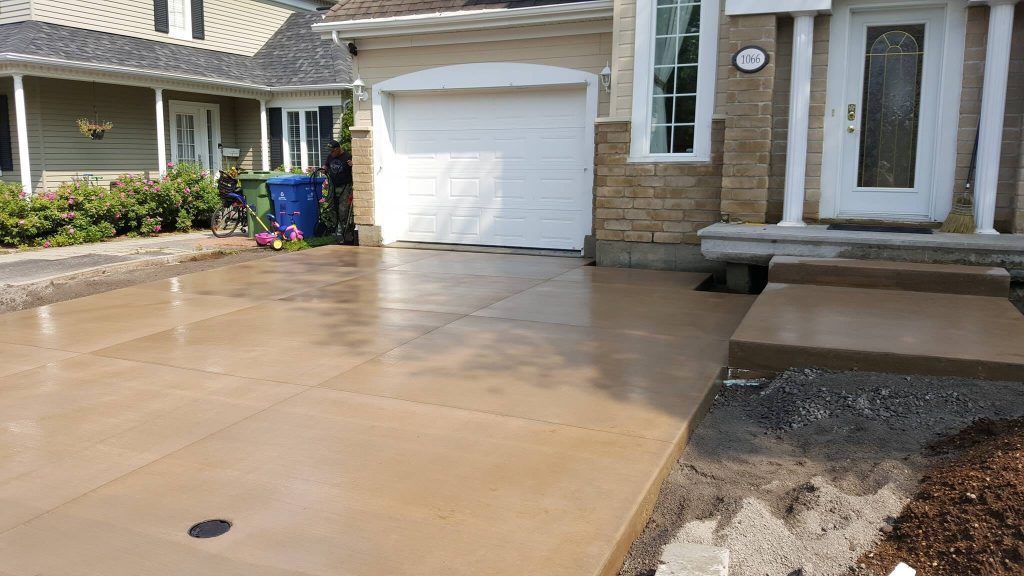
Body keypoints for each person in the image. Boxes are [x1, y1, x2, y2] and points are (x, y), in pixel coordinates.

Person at [322, 140, 354, 240]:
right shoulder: (330, 156)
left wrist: (353, 165)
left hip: (345, 186)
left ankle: (346, 232)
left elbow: (355, 169)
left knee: (343, 210)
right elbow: (326, 165)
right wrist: (324, 169)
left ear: (337, 149)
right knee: (331, 207)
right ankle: (336, 228)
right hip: (333, 185)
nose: (331, 153)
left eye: (332, 151)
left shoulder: (347, 156)